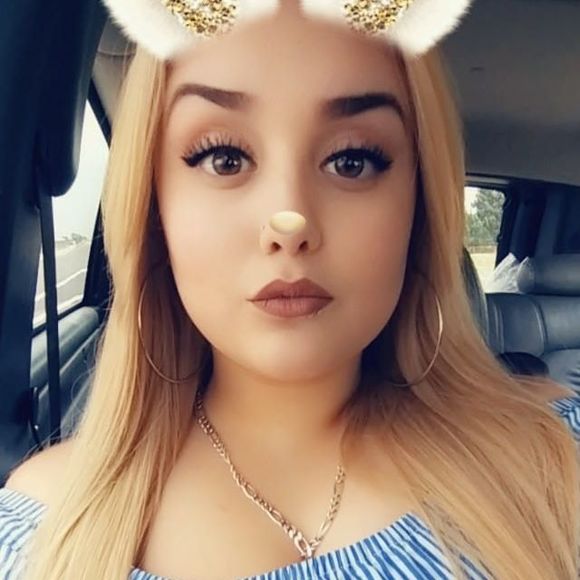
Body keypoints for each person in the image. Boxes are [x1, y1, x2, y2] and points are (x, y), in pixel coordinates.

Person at [1, 1, 579, 578]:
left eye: (352, 161)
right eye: (224, 158)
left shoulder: (550, 459)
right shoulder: (43, 533)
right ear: (155, 208)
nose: (289, 220)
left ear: (419, 207)